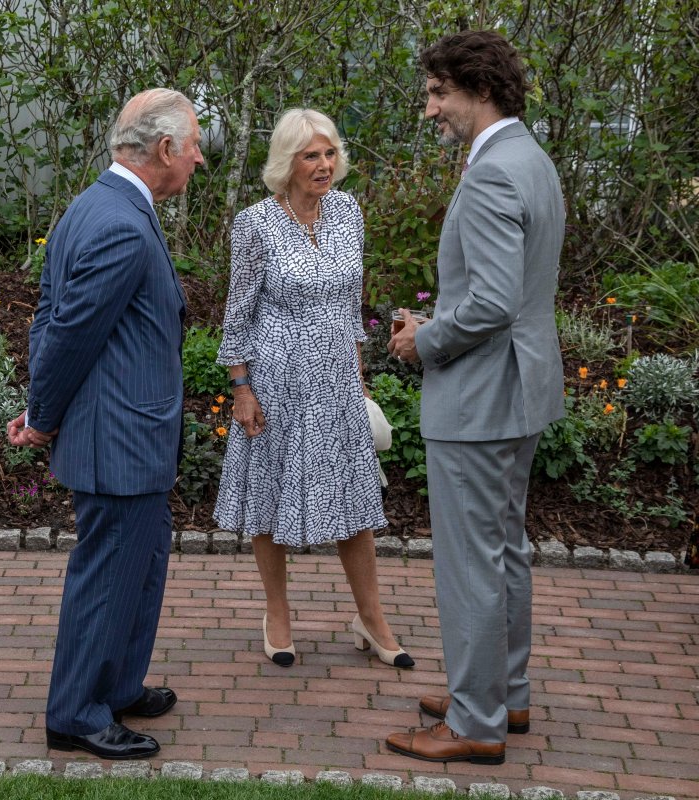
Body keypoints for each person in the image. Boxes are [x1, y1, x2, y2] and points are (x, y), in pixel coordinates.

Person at [5, 88, 204, 760]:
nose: (200, 159)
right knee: (110, 572)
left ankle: (117, 685)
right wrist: (43, 415)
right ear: (167, 149)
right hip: (119, 439)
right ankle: (77, 715)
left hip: (127, 435)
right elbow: (66, 332)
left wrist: (44, 406)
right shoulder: (118, 221)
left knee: (139, 566)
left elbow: (48, 316)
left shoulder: (96, 206)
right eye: (196, 145)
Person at [385, 30, 565, 765]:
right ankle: (502, 694)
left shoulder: (493, 172)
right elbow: (510, 295)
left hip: (482, 396)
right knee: (506, 552)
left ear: (479, 89)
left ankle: (474, 722)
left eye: (439, 94)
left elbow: (489, 302)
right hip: (519, 386)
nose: (431, 110)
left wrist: (424, 340)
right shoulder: (532, 158)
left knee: (473, 561)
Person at [213, 108, 413, 672]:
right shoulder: (256, 223)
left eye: (329, 154)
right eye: (311, 156)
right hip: (275, 379)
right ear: (287, 162)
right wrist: (242, 388)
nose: (324, 166)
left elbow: (352, 303)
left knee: (354, 500)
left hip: (336, 380)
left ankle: (371, 620)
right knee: (271, 497)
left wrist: (357, 377)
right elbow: (238, 311)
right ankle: (277, 615)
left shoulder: (349, 211)